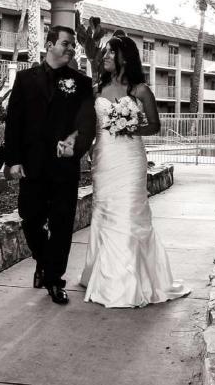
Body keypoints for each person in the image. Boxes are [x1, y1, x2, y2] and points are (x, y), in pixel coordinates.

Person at [79, 35, 190, 308]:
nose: (105, 57)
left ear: (124, 57)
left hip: (130, 160)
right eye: (105, 53)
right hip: (104, 159)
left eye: (110, 53)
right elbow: (90, 126)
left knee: (128, 214)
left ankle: (125, 285)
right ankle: (100, 275)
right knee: (104, 212)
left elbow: (154, 125)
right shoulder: (97, 89)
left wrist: (130, 126)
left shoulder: (140, 90)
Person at [5, 25, 96, 304]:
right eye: (66, 44)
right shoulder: (25, 79)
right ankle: (43, 262)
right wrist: (13, 160)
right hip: (32, 165)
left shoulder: (80, 82)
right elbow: (14, 122)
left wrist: (74, 146)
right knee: (30, 218)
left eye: (73, 45)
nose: (71, 49)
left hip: (64, 167)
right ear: (49, 45)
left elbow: (87, 124)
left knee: (62, 224)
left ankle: (55, 279)